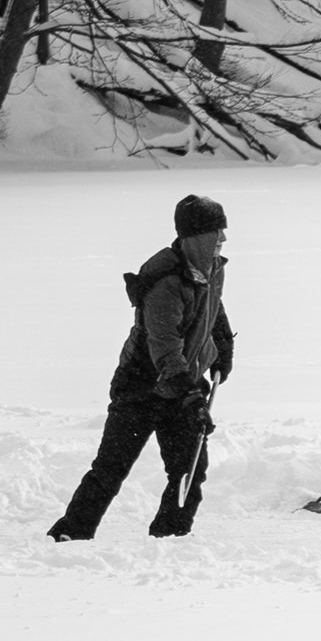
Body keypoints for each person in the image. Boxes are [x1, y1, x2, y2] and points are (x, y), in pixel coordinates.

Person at [50, 192, 235, 542]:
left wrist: (222, 343)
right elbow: (165, 348)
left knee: (189, 471)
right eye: (217, 232)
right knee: (110, 470)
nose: (223, 239)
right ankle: (69, 537)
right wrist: (192, 397)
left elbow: (212, 306)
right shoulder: (165, 284)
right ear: (195, 237)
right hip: (142, 388)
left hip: (182, 386)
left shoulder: (211, 269)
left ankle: (169, 539)